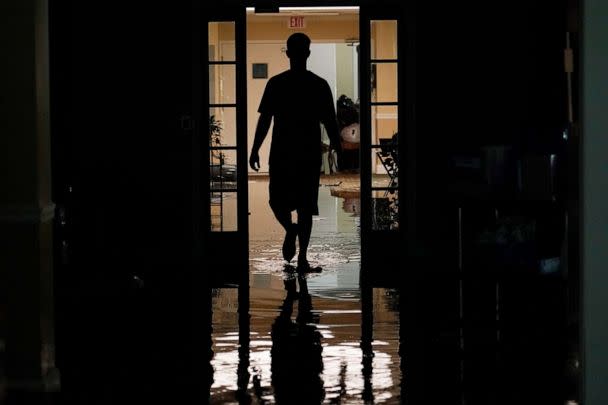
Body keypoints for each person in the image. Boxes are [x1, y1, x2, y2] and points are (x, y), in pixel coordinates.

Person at [249, 33, 341, 272]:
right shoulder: (318, 85)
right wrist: (337, 148)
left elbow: (265, 120)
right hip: (307, 153)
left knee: (277, 200)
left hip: (282, 151)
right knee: (305, 206)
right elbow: (330, 121)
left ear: (288, 54)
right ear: (307, 54)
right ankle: (302, 258)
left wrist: (255, 149)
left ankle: (291, 232)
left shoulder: (277, 84)